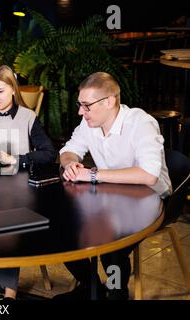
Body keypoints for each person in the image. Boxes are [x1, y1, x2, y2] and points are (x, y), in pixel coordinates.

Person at [56, 71, 172, 300]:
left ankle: (117, 290)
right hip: (111, 195)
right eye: (80, 105)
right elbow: (68, 150)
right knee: (64, 231)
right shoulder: (89, 122)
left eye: (86, 106)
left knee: (113, 245)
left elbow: (149, 175)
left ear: (109, 101)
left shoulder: (141, 123)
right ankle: (90, 286)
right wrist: (70, 164)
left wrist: (92, 175)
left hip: (152, 199)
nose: (81, 112)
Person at [0, 65, 56, 299]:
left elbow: (48, 153)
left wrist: (17, 159)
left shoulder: (28, 117)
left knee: (7, 221)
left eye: (0, 92)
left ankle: (9, 291)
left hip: (17, 186)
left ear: (13, 91)